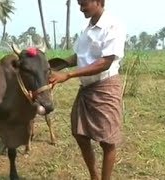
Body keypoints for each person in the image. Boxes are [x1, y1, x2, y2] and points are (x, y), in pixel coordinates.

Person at [49, 0, 126, 179]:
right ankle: (94, 176)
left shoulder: (113, 26)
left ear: (99, 2)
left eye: (84, 4)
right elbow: (78, 56)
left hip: (105, 88)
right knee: (80, 134)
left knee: (107, 142)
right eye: (79, 4)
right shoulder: (88, 29)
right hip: (86, 90)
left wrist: (68, 75)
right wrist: (54, 65)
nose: (81, 8)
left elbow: (105, 62)